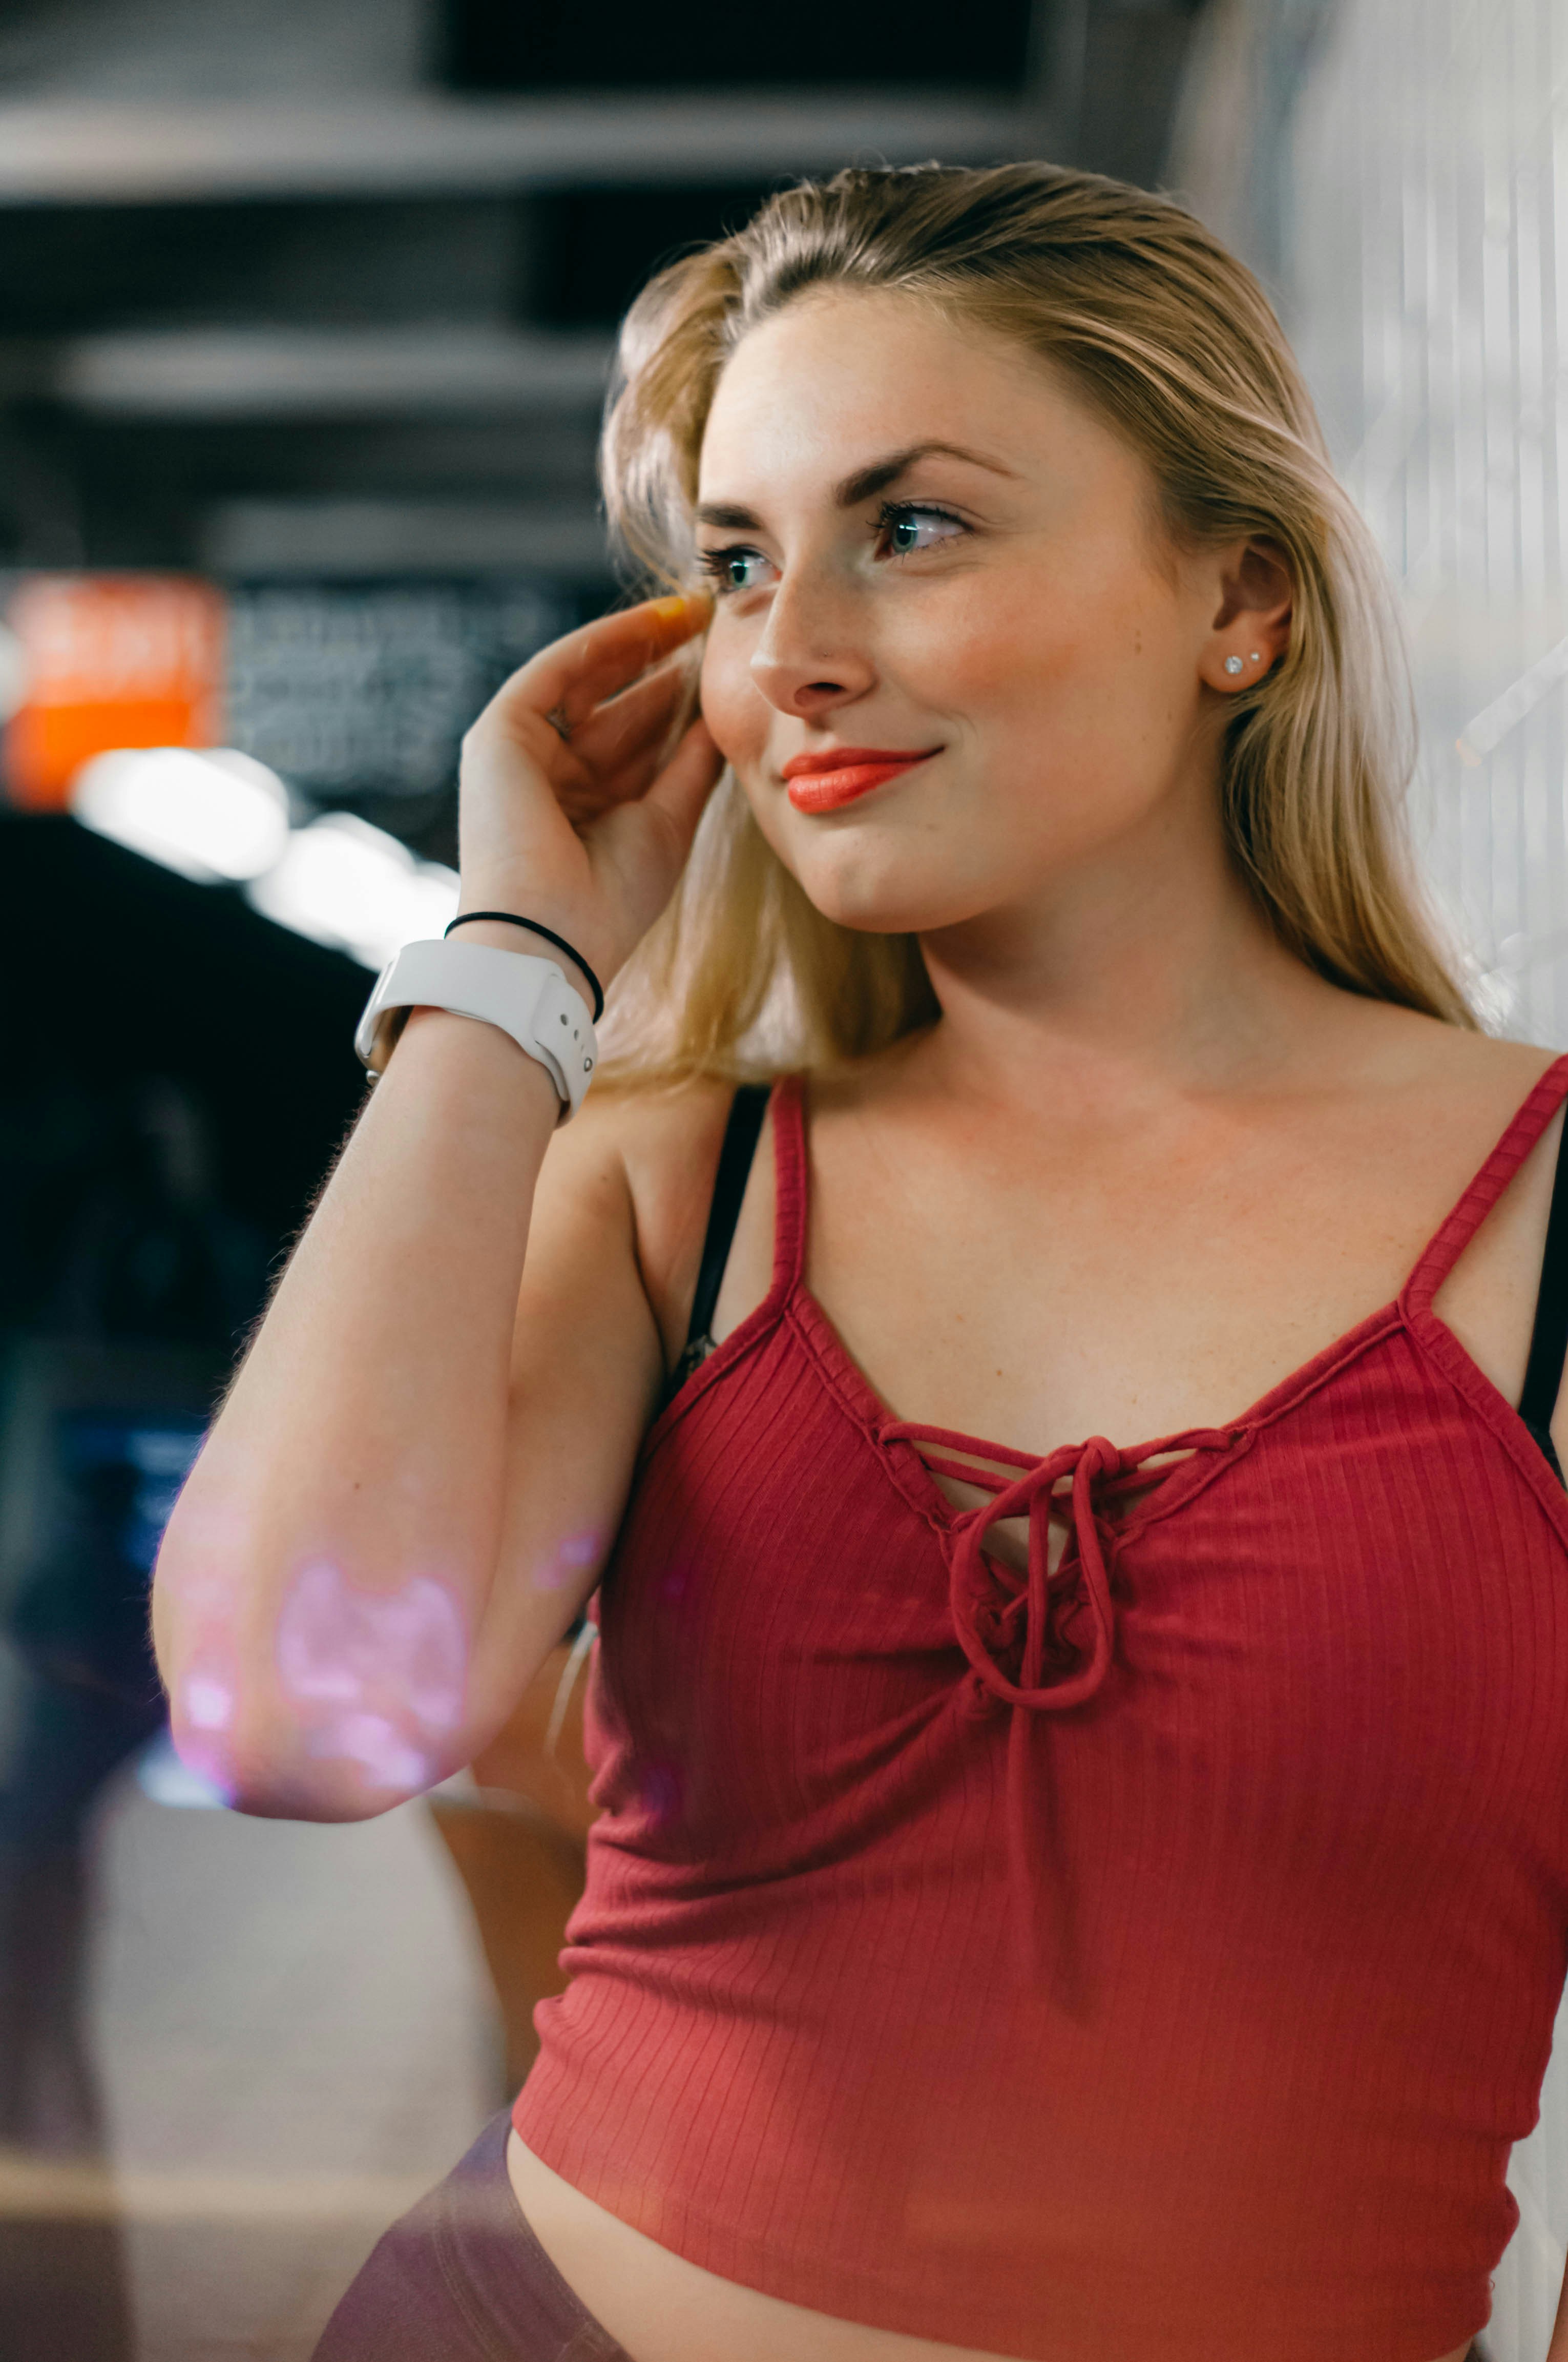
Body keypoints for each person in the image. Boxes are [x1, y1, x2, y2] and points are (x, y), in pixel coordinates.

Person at [151, 162, 1568, 2362]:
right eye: (737, 563)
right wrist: (509, 971)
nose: (789, 649)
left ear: (1241, 598)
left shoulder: (1544, 1215)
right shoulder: (671, 1190)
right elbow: (285, 1715)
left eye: (908, 528)